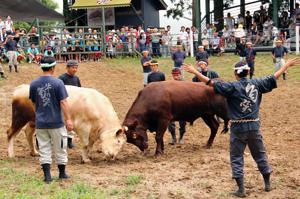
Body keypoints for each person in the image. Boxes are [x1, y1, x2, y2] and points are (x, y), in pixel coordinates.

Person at [183, 57, 300, 197]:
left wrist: (195, 72)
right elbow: (274, 77)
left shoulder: (231, 87)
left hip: (238, 127)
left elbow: (210, 82)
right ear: (248, 71)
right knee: (259, 154)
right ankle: (267, 183)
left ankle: (241, 189)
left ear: (235, 74)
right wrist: (285, 66)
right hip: (254, 125)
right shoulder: (258, 83)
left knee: (236, 156)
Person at [29, 56, 73, 184]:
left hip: (41, 123)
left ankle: (47, 176)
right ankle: (62, 173)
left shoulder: (34, 83)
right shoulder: (58, 83)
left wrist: (38, 113)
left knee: (44, 148)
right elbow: (63, 102)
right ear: (53, 68)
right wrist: (68, 119)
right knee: (60, 147)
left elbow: (33, 102)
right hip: (56, 122)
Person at [58, 60, 81, 149]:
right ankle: (62, 140)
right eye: (73, 67)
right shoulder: (61, 78)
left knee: (72, 123)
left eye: (76, 68)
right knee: (63, 122)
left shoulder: (76, 79)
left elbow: (79, 90)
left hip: (74, 104)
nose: (75, 69)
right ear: (67, 68)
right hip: (65, 103)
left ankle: (69, 141)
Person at [168, 68, 186, 145]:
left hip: (182, 106)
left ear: (180, 75)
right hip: (172, 106)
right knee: (170, 122)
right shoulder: (169, 84)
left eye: (177, 75)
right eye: (174, 75)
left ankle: (181, 136)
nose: (176, 77)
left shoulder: (185, 84)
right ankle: (173, 136)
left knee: (182, 122)